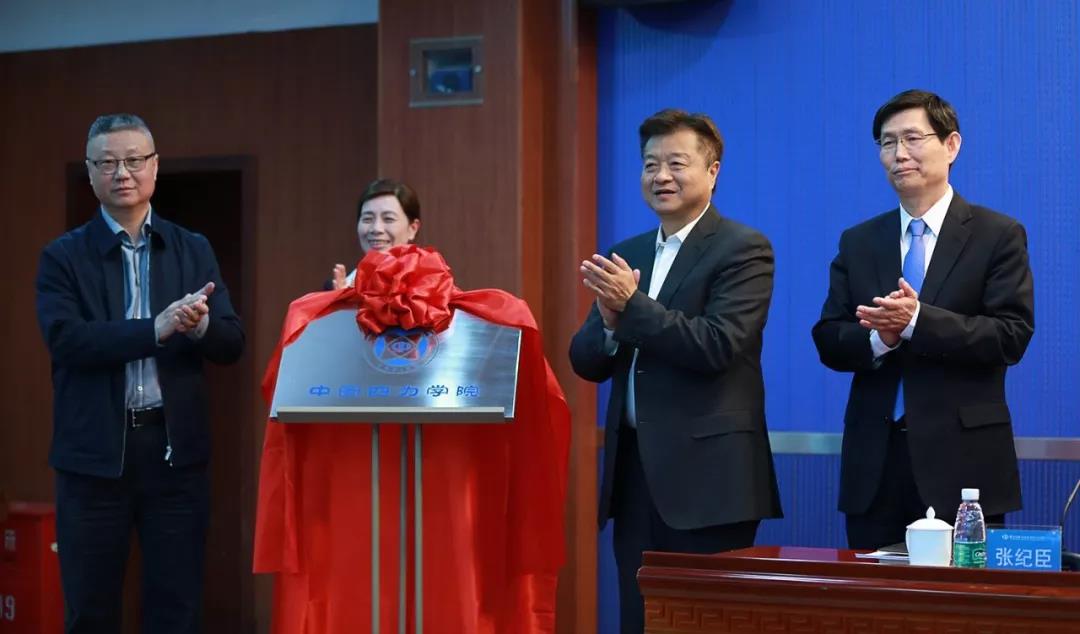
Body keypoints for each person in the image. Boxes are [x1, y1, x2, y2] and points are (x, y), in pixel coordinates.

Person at [569, 108, 782, 632]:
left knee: (707, 622)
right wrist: (610, 324)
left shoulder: (743, 248)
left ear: (712, 171)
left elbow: (718, 345)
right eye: (650, 164)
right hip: (635, 476)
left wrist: (631, 307)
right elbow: (586, 360)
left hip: (711, 482)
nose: (661, 176)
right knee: (640, 620)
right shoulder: (627, 253)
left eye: (676, 163)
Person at [35, 113, 245, 633]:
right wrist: (155, 328)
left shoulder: (192, 247)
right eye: (107, 162)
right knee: (90, 610)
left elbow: (231, 343)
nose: (122, 172)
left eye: (133, 160)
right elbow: (68, 340)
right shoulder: (63, 257)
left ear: (155, 166)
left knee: (176, 609)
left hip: (174, 456)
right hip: (92, 459)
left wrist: (197, 327)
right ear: (90, 173)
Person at [812, 89, 1034, 550]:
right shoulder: (859, 241)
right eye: (887, 142)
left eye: (912, 139)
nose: (899, 154)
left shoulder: (997, 234)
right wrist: (882, 340)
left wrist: (918, 321)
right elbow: (829, 337)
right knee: (872, 594)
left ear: (951, 145)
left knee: (962, 595)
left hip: (963, 465)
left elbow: (1010, 335)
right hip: (876, 463)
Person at [328, 178, 422, 289]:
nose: (376, 229)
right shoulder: (336, 288)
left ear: (412, 229)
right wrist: (340, 299)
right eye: (367, 219)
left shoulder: (432, 287)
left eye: (388, 219)